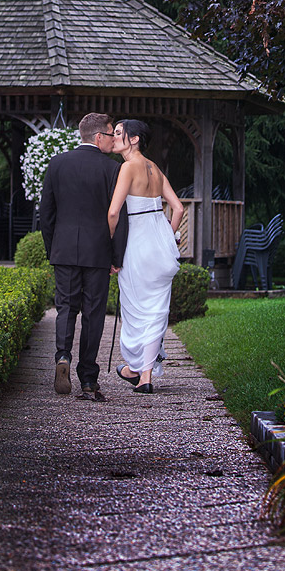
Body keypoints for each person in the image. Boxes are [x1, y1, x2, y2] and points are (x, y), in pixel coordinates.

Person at [39, 112, 127, 401]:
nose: (115, 137)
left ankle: (62, 356)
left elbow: (46, 214)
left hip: (64, 250)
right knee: (93, 313)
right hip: (98, 251)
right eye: (112, 133)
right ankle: (88, 379)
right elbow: (119, 217)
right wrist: (117, 256)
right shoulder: (112, 169)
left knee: (65, 307)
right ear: (98, 137)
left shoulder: (57, 163)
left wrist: (53, 250)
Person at [108, 118, 184, 394]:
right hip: (160, 244)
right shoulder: (155, 168)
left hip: (137, 244)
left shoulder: (127, 167)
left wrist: (108, 249)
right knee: (156, 311)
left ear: (134, 138)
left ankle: (138, 369)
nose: (113, 137)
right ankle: (144, 375)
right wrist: (167, 237)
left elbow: (114, 212)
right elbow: (178, 209)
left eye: (118, 133)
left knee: (136, 311)